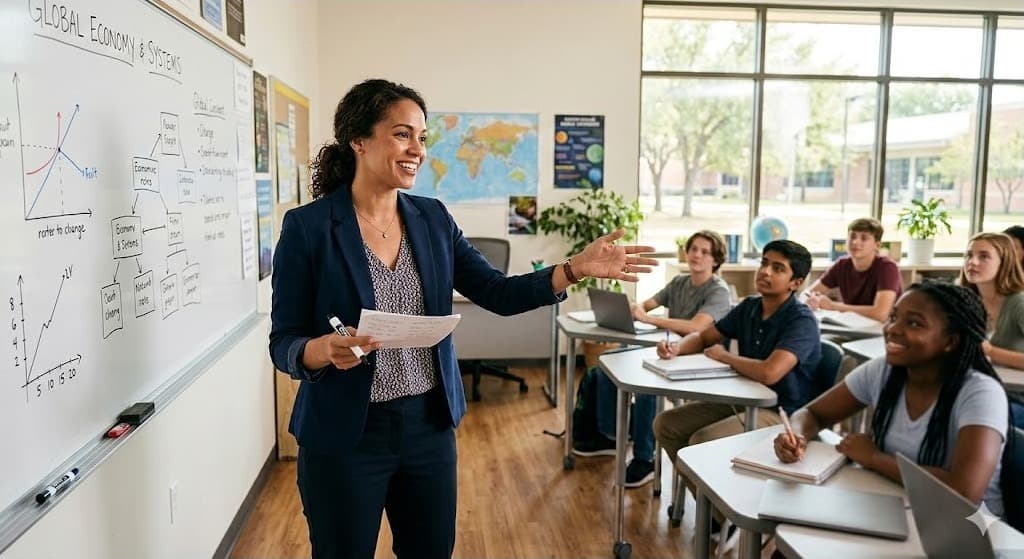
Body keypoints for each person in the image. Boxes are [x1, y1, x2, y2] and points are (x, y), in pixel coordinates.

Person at [268, 78, 657, 559]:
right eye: (402, 134)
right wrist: (321, 350)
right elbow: (283, 340)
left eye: (423, 137)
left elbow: (497, 291)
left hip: (427, 427)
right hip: (346, 433)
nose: (417, 149)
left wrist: (573, 268)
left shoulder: (432, 219)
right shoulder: (309, 228)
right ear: (359, 140)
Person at [775, 281, 1009, 517]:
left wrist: (875, 458)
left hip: (966, 528)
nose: (893, 329)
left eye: (914, 323)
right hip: (897, 506)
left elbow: (963, 491)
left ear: (951, 341)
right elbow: (812, 413)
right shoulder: (885, 371)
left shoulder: (980, 393)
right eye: (893, 317)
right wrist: (796, 435)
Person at [572, 230, 732, 489]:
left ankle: (645, 458)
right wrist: (634, 308)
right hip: (669, 352)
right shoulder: (679, 282)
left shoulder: (718, 291)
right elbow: (646, 305)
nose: (696, 255)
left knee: (647, 387)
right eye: (693, 249)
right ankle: (611, 435)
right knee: (606, 365)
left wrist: (649, 319)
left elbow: (696, 327)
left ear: (716, 260)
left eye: (704, 252)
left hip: (699, 361)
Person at [653, 239, 821, 464]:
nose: (765, 272)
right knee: (666, 424)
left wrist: (725, 357)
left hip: (782, 413)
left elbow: (769, 373)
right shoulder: (750, 306)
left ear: (795, 282)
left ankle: (711, 498)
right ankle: (705, 497)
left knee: (702, 440)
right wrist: (676, 348)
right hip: (743, 398)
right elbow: (704, 337)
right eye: (764, 263)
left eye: (778, 268)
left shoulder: (801, 321)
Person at [959, 232, 1024, 427]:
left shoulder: (1019, 303)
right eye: (969, 255)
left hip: (1016, 396)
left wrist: (990, 351)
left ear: (1004, 262)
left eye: (984, 256)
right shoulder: (966, 301)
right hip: (983, 387)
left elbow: (984, 350)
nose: (973, 262)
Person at [805, 217, 902, 323]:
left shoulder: (887, 267)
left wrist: (833, 306)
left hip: (883, 329)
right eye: (852, 236)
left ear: (877, 245)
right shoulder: (842, 265)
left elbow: (880, 314)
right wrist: (814, 299)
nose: (855, 242)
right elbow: (809, 293)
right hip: (852, 325)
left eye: (864, 238)